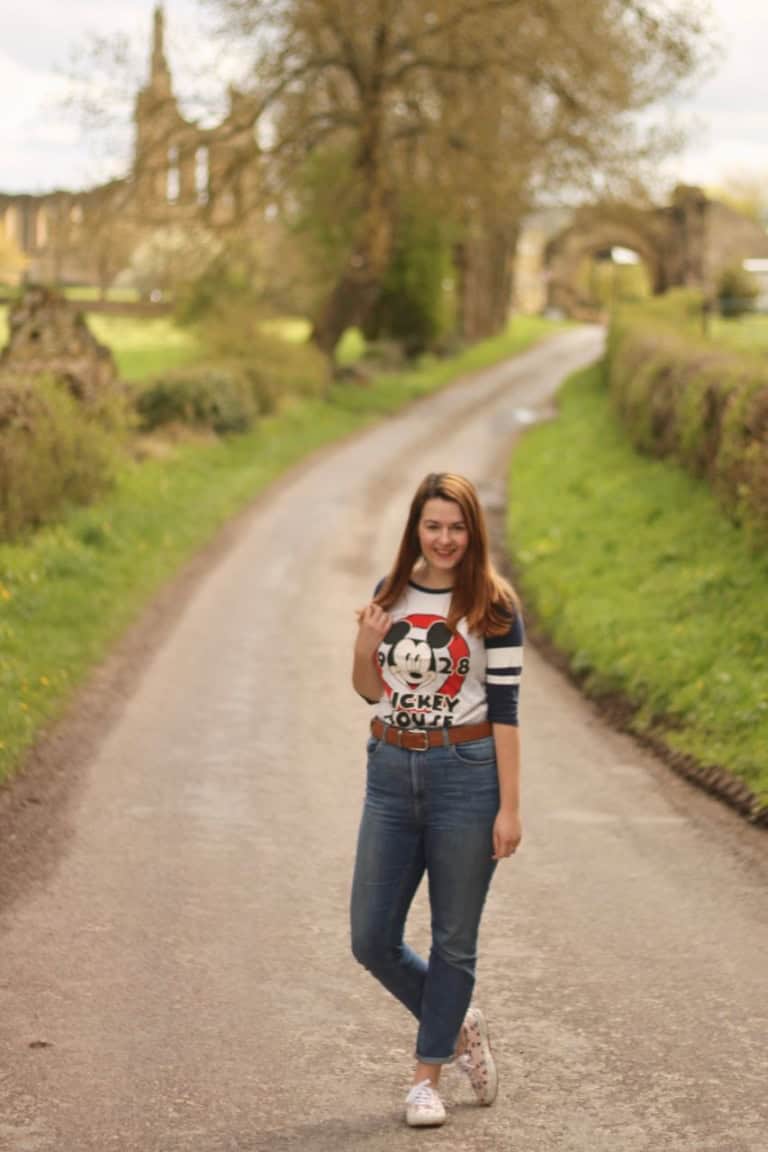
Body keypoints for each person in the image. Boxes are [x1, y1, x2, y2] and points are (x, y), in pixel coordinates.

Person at [350, 471, 524, 1128]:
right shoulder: (389, 593)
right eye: (433, 525)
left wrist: (509, 807)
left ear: (471, 531)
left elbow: (505, 710)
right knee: (371, 937)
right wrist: (365, 646)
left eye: (456, 527)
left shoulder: (494, 606)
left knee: (454, 938)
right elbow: (369, 689)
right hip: (391, 769)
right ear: (415, 529)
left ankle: (426, 1081)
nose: (445, 538)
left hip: (467, 774)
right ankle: (456, 1024)